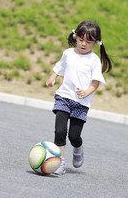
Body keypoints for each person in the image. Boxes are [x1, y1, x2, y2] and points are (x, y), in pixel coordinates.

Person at [46, 20, 112, 175]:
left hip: (81, 103)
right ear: (75, 36)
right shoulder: (68, 53)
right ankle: (59, 162)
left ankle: (78, 148)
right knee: (60, 130)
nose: (84, 44)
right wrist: (52, 77)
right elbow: (59, 67)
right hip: (64, 97)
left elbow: (96, 82)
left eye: (89, 42)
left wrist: (86, 92)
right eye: (81, 40)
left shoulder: (94, 60)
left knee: (74, 136)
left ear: (96, 43)